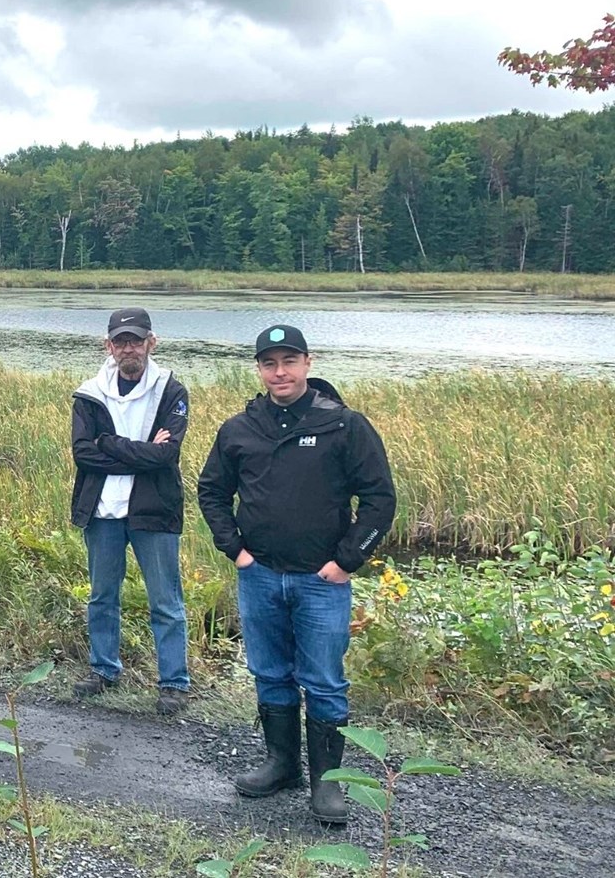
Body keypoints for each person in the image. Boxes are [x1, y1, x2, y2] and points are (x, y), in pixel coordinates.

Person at [197, 324, 395, 826]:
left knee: (325, 682)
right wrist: (235, 550)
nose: (279, 372)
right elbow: (212, 492)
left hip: (322, 580)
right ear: (259, 369)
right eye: (269, 363)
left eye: (289, 361)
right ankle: (282, 764)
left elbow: (379, 499)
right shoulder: (239, 428)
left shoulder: (344, 425)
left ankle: (327, 785)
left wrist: (348, 560)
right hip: (259, 574)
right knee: (269, 673)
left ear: (308, 363)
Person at [69, 307, 192, 715]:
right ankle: (104, 670)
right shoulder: (90, 393)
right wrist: (142, 452)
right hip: (103, 511)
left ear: (151, 343)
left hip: (152, 511)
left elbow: (166, 455)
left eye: (136, 341)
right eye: (120, 341)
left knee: (165, 601)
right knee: (103, 596)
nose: (128, 349)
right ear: (108, 346)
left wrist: (110, 444)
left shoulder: (171, 391)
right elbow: (84, 454)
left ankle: (174, 682)